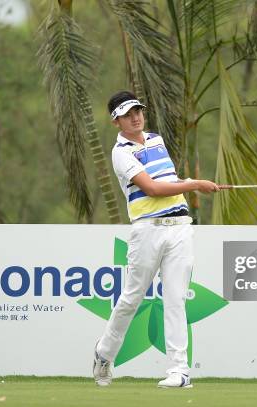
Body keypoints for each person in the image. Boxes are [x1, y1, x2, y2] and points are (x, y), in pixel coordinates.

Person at [93, 90, 219, 388]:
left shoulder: (156, 140)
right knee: (131, 299)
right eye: (127, 114)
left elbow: (170, 181)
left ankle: (179, 371)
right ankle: (104, 353)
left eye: (138, 110)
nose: (136, 117)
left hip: (179, 228)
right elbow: (151, 188)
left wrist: (190, 185)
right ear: (116, 121)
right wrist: (196, 184)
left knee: (176, 300)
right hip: (147, 230)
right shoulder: (121, 153)